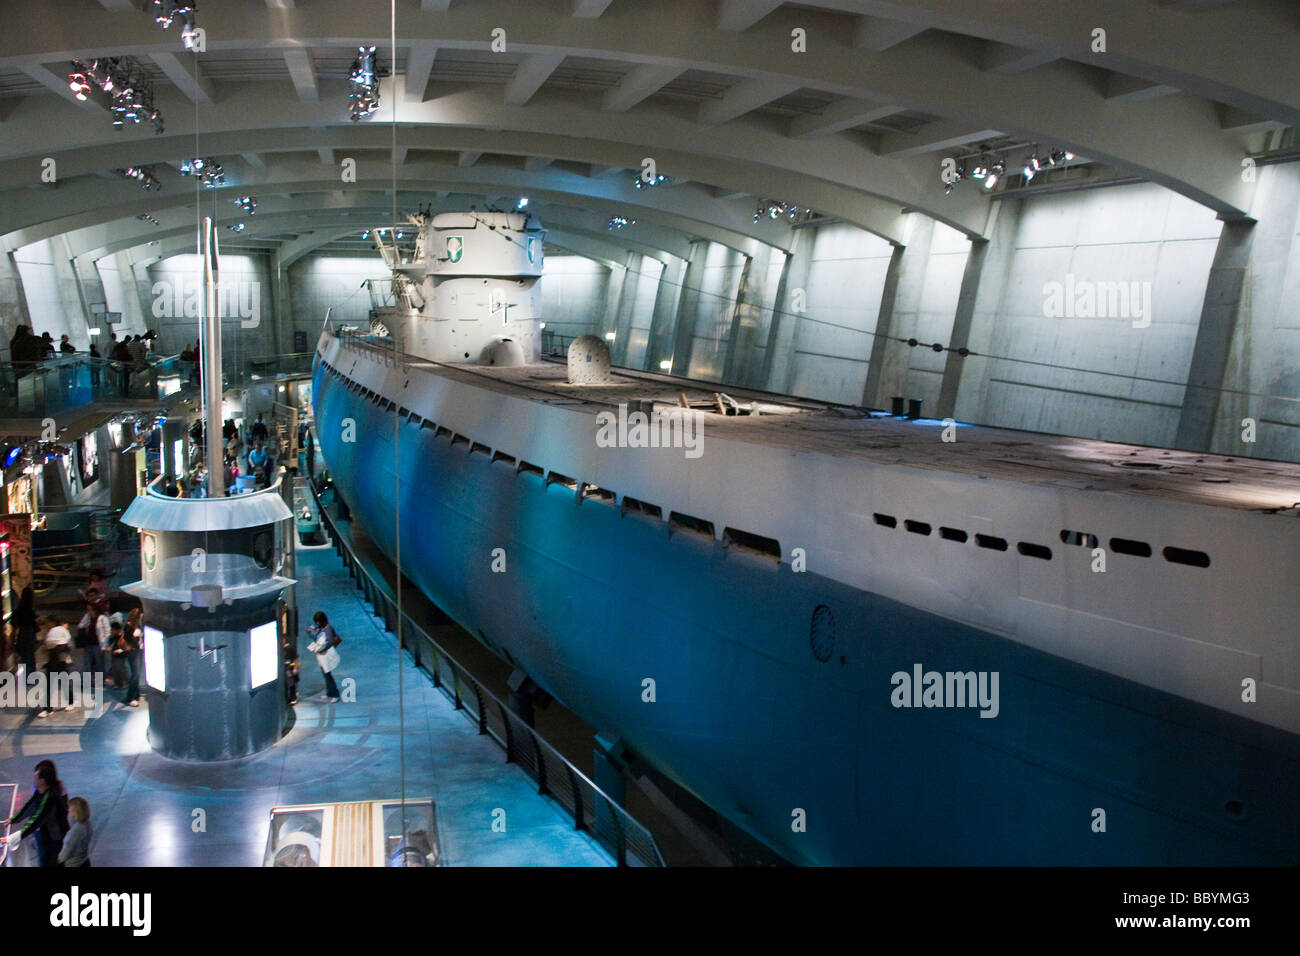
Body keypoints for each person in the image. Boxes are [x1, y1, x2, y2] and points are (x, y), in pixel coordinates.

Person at [5, 764, 65, 867]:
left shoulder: (50, 797)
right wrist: (14, 819)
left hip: (52, 840)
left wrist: (11, 838)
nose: (33, 778)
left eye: (36, 777)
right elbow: (30, 806)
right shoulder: (40, 791)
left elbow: (36, 820)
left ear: (42, 781)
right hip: (44, 837)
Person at [38, 616, 75, 717]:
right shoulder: (51, 633)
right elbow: (45, 648)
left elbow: (69, 646)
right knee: (49, 686)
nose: (46, 625)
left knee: (65, 684)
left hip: (61, 663)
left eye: (48, 623)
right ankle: (48, 708)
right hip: (52, 663)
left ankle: (70, 702)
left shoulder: (62, 633)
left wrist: (60, 648)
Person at [305, 611, 342, 702]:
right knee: (326, 675)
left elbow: (327, 643)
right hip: (322, 656)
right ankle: (330, 693)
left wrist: (316, 648)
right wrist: (311, 633)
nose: (316, 624)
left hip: (326, 656)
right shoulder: (321, 628)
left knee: (328, 675)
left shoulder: (327, 629)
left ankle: (335, 694)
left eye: (318, 621)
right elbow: (317, 638)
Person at [58, 798, 92, 867]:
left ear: (75, 811)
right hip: (84, 861)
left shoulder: (75, 831)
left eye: (69, 808)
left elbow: (67, 850)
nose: (68, 810)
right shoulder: (87, 824)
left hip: (73, 864)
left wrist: (59, 860)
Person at [120, 608, 143, 707]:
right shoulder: (129, 626)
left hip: (139, 650)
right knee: (135, 674)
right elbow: (128, 639)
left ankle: (136, 694)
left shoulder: (138, 625)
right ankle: (130, 697)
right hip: (133, 652)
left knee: (137, 674)